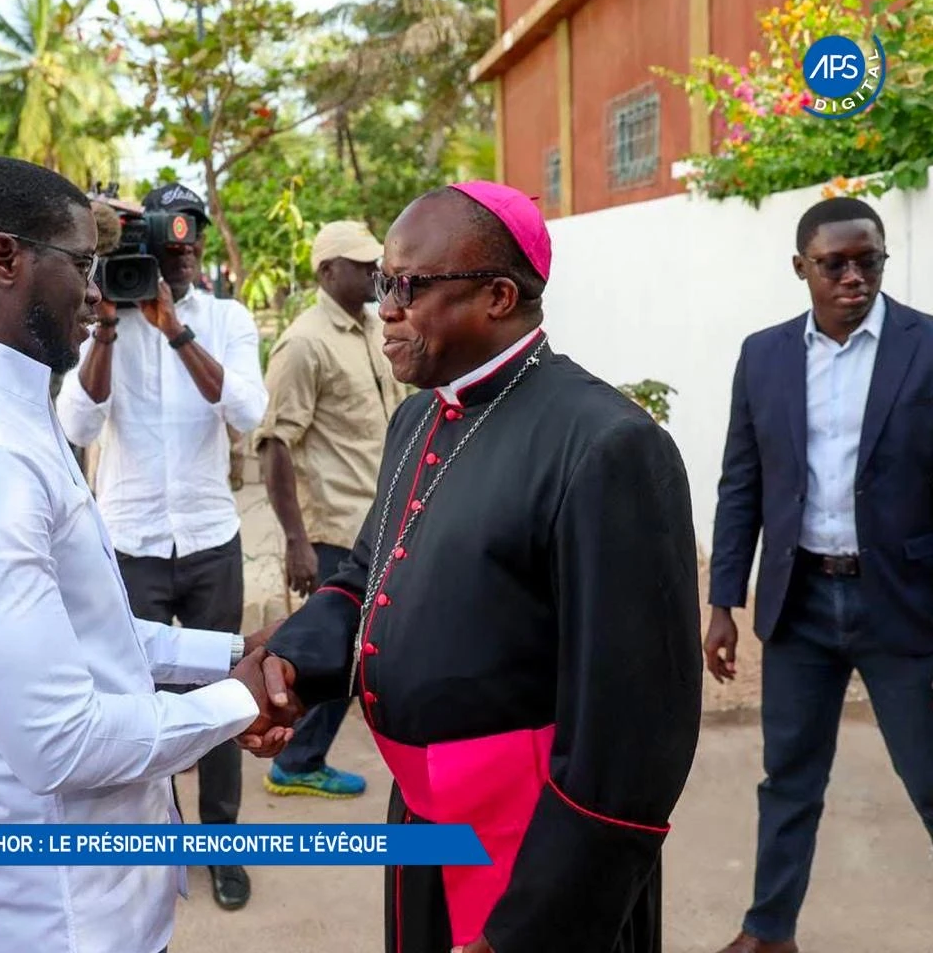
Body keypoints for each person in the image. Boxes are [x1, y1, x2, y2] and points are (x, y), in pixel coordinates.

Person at [259, 181, 703, 953]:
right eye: (384, 284)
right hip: (425, 817)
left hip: (538, 851)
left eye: (409, 286)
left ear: (499, 296)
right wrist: (287, 664)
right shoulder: (419, 415)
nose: (385, 306)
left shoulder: (607, 445)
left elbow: (633, 739)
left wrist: (535, 926)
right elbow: (368, 576)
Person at [0, 157, 293, 953]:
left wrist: (234, 653)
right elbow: (60, 739)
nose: (99, 293)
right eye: (81, 265)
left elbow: (99, 638)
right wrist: (240, 700)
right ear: (3, 259)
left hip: (103, 895)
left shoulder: (8, 411)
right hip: (53, 916)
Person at [706, 197, 933, 953]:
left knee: (929, 778)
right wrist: (722, 601)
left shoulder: (923, 346)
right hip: (800, 600)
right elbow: (741, 484)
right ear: (800, 268)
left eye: (868, 260)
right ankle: (769, 933)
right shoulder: (764, 355)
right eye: (833, 263)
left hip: (903, 603)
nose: (853, 276)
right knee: (789, 779)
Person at [55, 180, 269, 911]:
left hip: (210, 537)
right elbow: (78, 425)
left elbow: (246, 409)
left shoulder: (227, 319)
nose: (178, 265)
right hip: (130, 542)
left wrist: (177, 330)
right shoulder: (103, 319)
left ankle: (222, 845)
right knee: (134, 700)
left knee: (224, 693)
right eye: (165, 253)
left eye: (191, 251)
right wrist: (112, 328)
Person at [254, 220, 406, 799]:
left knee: (355, 652)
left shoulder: (376, 327)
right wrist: (296, 540)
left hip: (381, 518)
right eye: (362, 265)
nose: (374, 274)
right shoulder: (303, 342)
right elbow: (275, 445)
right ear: (326, 272)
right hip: (337, 528)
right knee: (340, 652)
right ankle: (295, 760)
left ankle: (298, 757)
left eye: (376, 265)